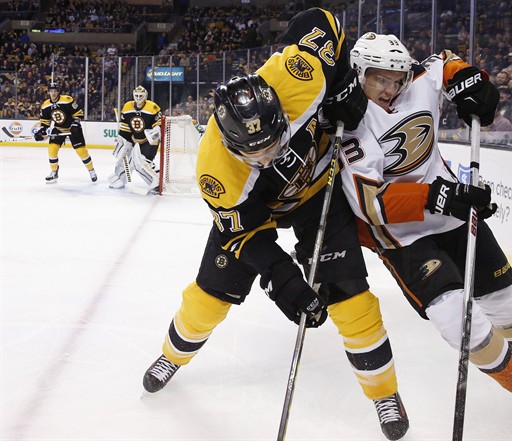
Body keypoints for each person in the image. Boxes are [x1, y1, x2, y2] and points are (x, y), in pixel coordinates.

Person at [142, 9, 408, 441]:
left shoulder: (296, 79)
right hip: (257, 217)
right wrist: (279, 274)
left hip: (317, 191)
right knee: (211, 294)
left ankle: (383, 393)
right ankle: (173, 354)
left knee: (347, 290)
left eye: (274, 143)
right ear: (230, 144)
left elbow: (322, 20)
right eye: (255, 154)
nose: (267, 158)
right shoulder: (216, 171)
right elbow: (244, 233)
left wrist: (341, 83)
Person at [338, 32, 512, 441]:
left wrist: (468, 79)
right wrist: (439, 196)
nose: (390, 88)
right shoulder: (349, 123)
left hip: (451, 215)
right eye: (379, 78)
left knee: (505, 301)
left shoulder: (417, 80)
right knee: (454, 318)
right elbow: (370, 205)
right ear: (358, 73)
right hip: (401, 237)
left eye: (396, 79)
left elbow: (444, 63)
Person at [35, 82, 97, 184]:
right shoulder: (45, 105)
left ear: (58, 92)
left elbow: (78, 113)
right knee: (52, 150)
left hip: (73, 128)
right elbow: (45, 121)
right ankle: (54, 172)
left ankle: (91, 170)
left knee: (81, 151)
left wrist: (75, 124)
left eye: (55, 91)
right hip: (59, 128)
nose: (53, 93)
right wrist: (42, 130)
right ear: (48, 92)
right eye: (51, 91)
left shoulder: (67, 100)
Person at [108, 85, 162, 192]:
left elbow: (158, 124)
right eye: (136, 95)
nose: (138, 97)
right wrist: (123, 140)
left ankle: (157, 182)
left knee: (142, 163)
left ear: (145, 96)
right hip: (134, 138)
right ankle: (119, 178)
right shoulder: (127, 107)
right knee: (125, 159)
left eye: (141, 95)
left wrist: (156, 131)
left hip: (149, 140)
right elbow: (125, 128)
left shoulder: (152, 107)